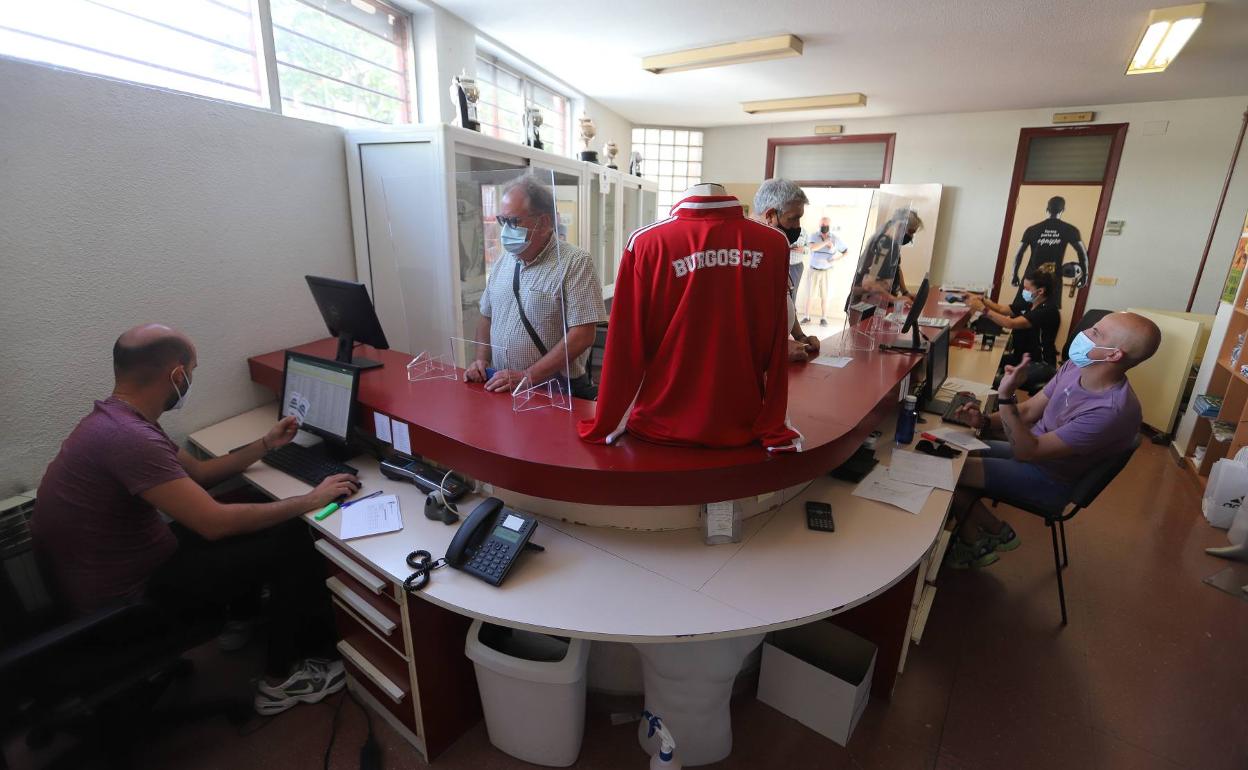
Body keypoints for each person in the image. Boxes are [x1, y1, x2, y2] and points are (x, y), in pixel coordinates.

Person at [32, 324, 360, 714]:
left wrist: (266, 444)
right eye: (193, 369)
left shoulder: (118, 420)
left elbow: (201, 476)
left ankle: (242, 620)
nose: (191, 379)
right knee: (294, 539)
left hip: (111, 580)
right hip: (130, 604)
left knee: (251, 519)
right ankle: (281, 679)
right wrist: (311, 499)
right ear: (176, 374)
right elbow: (215, 523)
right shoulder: (131, 439)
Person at [578, 183, 800, 451]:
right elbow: (777, 340)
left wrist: (609, 417)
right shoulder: (774, 243)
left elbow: (625, 339)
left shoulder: (646, 241)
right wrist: (774, 416)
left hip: (659, 420)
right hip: (742, 418)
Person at [944, 312, 1161, 568]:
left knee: (947, 471)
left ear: (1113, 355)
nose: (1083, 334)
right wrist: (982, 421)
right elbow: (1026, 412)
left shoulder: (1110, 411)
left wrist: (1005, 396)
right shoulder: (1076, 367)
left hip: (1049, 479)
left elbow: (1029, 451)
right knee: (950, 451)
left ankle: (976, 543)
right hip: (1032, 454)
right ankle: (993, 531)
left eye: (1096, 334)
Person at [466, 174, 607, 400]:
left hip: (554, 392)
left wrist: (527, 375)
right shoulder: (504, 261)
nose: (506, 230)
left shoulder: (575, 262)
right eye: (502, 221)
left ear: (544, 222)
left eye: (514, 222)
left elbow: (583, 335)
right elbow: (486, 316)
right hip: (505, 385)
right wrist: (481, 359)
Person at [751, 179, 821, 363]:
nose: (798, 226)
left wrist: (800, 336)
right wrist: (780, 350)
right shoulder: (747, 254)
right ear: (771, 215)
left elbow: (784, 299)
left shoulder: (775, 246)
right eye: (793, 218)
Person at [967, 270, 1060, 388]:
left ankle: (1001, 403)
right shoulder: (1032, 303)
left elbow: (1010, 323)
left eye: (1027, 289)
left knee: (994, 381)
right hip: (1021, 357)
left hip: (1040, 364)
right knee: (986, 364)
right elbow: (1002, 309)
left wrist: (983, 309)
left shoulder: (1047, 311)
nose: (1023, 291)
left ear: (1040, 291)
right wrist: (982, 300)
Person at [1011, 196, 1089, 308]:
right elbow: (1082, 253)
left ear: (1047, 209)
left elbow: (1019, 253)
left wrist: (1015, 274)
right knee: (1046, 314)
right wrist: (1085, 275)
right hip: (1051, 278)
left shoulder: (1032, 229)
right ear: (1063, 210)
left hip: (1032, 277)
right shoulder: (1069, 229)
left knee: (1021, 310)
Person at [852, 208, 922, 304]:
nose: (911, 237)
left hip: (880, 300)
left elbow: (896, 268)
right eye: (910, 232)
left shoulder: (893, 244)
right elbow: (868, 284)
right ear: (900, 225)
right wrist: (895, 300)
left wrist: (905, 292)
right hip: (865, 304)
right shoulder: (885, 244)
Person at [801, 217, 849, 326]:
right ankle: (806, 317)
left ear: (830, 225)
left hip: (827, 271)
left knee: (825, 295)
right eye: (822, 224)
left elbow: (846, 252)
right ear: (819, 225)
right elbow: (812, 248)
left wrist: (835, 259)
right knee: (809, 294)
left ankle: (824, 318)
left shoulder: (835, 238)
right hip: (813, 270)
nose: (824, 226)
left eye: (826, 225)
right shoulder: (813, 236)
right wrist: (826, 242)